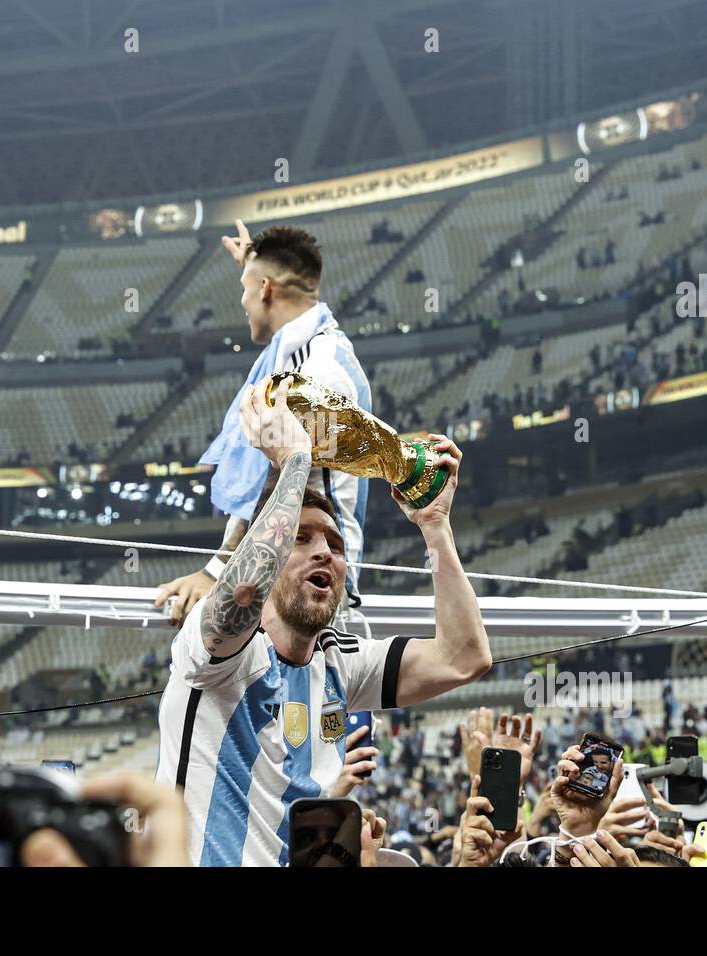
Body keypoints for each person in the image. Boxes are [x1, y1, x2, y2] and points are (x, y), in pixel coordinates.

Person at [154, 381, 491, 865]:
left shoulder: (337, 661)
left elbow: (464, 657)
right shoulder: (217, 655)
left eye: (335, 545)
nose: (324, 552)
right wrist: (293, 462)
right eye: (300, 537)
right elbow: (245, 590)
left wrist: (435, 527)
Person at [156, 221, 372, 625]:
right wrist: (253, 264)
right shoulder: (302, 354)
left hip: (312, 600)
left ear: (266, 289)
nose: (242, 301)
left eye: (244, 287)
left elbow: (277, 478)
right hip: (286, 583)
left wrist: (216, 573)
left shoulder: (318, 371)